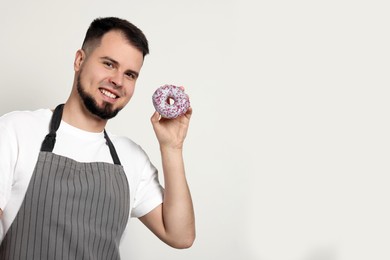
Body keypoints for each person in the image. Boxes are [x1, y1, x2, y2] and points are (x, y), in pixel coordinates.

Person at [0, 17, 195, 259]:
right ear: (79, 60)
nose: (118, 81)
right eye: (109, 64)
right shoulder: (16, 130)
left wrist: (172, 147)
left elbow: (180, 235)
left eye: (130, 74)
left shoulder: (131, 157)